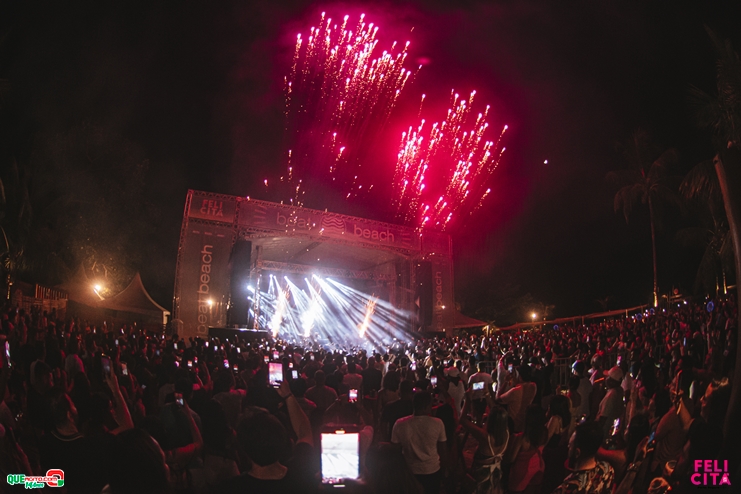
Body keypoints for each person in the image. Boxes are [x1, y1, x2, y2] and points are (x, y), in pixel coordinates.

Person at [217, 380, 316, 493]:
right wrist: (288, 395)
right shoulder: (302, 476)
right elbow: (304, 431)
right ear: (283, 439)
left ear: (243, 448)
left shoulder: (230, 488)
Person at [391, 391, 447, 494]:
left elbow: (395, 450)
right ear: (427, 406)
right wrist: (445, 471)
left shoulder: (400, 424)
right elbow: (442, 450)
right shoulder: (438, 423)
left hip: (410, 470)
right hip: (432, 470)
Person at [460, 396, 509, 494]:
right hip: (496, 472)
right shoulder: (506, 433)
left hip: (482, 475)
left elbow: (462, 420)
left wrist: (468, 399)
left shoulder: (485, 437)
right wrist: (487, 396)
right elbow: (497, 415)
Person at [551, 421, 614, 494]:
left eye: (570, 445)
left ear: (577, 453)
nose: (568, 447)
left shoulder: (566, 489)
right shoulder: (607, 470)